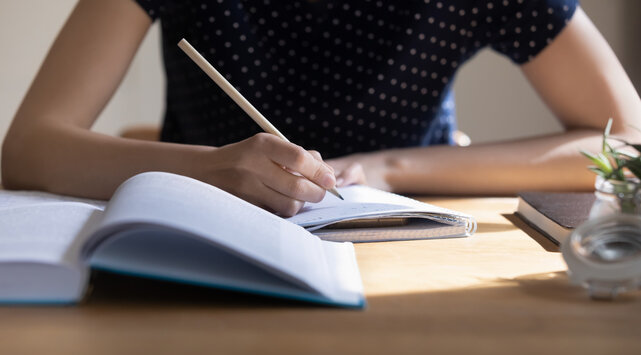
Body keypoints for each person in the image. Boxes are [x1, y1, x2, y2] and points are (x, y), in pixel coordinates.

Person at [3, 0, 641, 217]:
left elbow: (628, 144)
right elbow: (29, 148)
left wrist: (388, 167)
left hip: (403, 243)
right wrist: (211, 169)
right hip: (197, 244)